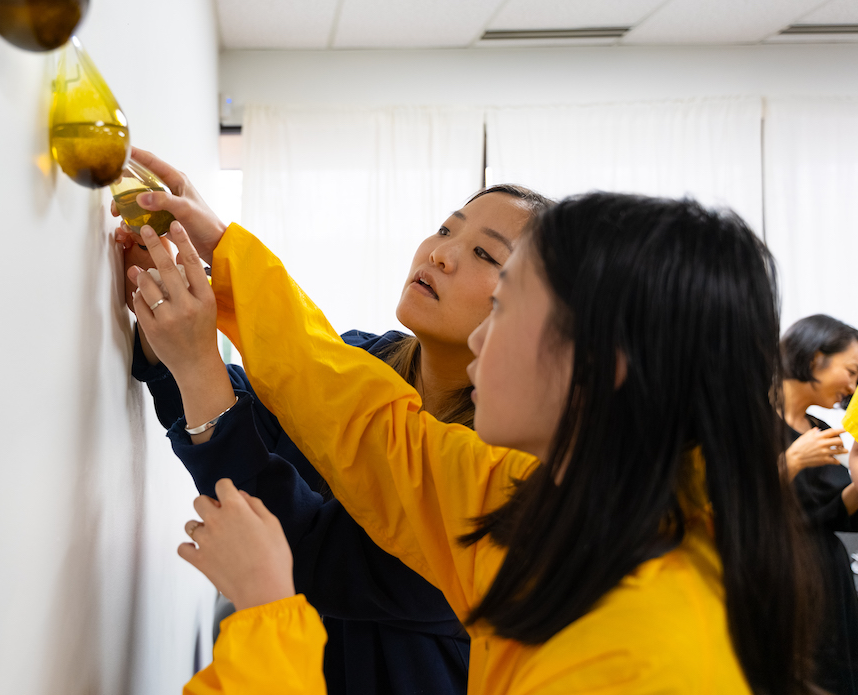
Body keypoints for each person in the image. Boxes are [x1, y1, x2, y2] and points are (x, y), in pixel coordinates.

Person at [126, 176, 818, 693]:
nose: (482, 334)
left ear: (599, 367)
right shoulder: (541, 500)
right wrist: (228, 260)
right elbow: (370, 425)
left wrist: (269, 617)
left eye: (505, 302)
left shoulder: (641, 657)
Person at [116, 151, 551, 695]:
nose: (442, 254)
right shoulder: (369, 357)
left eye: (486, 254)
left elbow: (314, 553)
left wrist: (196, 361)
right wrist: (167, 313)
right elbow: (260, 415)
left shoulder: (496, 481)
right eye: (446, 228)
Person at [780, 314, 858, 694]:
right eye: (851, 371)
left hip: (829, 579)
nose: (852, 385)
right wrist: (792, 461)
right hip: (785, 580)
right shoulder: (750, 420)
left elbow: (830, 512)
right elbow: (731, 502)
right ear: (814, 359)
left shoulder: (817, 428)